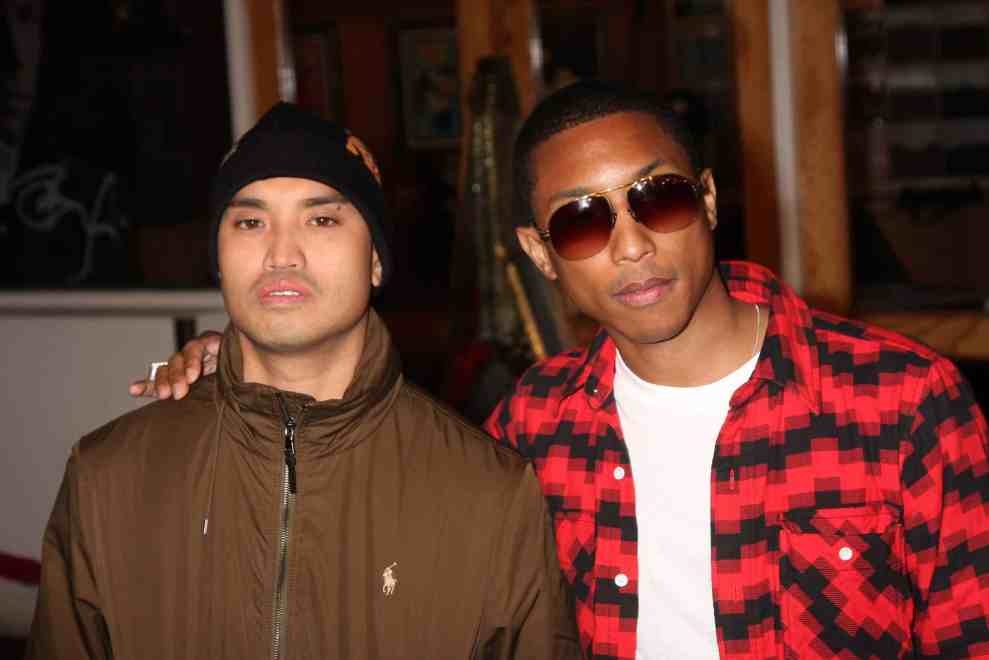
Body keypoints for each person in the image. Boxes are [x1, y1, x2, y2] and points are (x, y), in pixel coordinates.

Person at [133, 82, 989, 659]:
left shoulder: (903, 402)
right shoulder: (530, 428)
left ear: (707, 200)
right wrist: (237, 364)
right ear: (539, 253)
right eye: (581, 221)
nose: (631, 244)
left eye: (658, 198)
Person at [28, 102, 580, 659]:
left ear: (376, 260)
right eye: (250, 222)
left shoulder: (488, 495)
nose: (281, 254)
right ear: (218, 257)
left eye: (321, 220)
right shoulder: (108, 477)